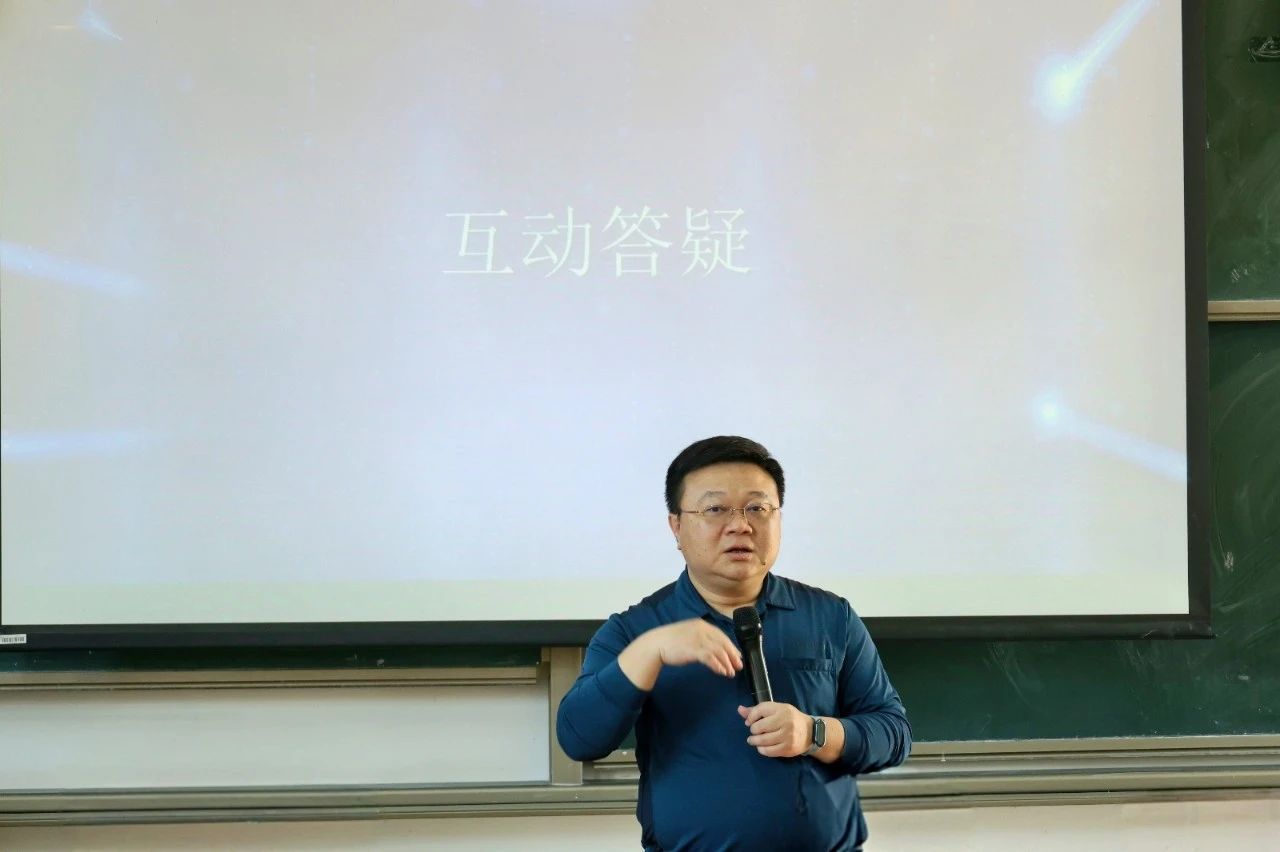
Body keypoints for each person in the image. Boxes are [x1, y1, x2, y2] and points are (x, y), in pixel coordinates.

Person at [556, 436, 911, 851]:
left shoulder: (831, 616)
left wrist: (814, 732)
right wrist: (649, 652)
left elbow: (893, 733)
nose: (741, 525)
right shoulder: (635, 631)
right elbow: (579, 739)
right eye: (715, 509)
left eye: (758, 508)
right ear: (676, 526)